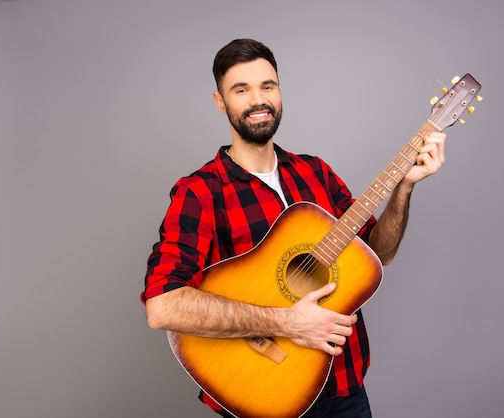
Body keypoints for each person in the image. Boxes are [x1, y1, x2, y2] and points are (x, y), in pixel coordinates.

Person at [141, 38, 446, 417]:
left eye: (267, 86)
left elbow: (378, 254)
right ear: (220, 102)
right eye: (241, 89)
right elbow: (163, 305)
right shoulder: (200, 193)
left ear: (280, 91)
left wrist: (403, 187)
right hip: (264, 393)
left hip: (345, 391)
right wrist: (287, 322)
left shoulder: (315, 172)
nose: (258, 100)